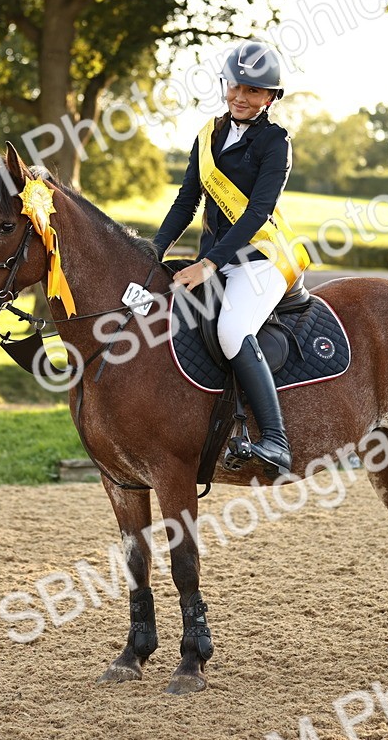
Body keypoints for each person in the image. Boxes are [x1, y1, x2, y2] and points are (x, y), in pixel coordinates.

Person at [152, 39, 309, 476]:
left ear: (270, 98)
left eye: (254, 91)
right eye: (236, 86)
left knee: (232, 329)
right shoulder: (208, 135)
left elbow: (257, 212)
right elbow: (187, 202)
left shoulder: (276, 142)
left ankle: (275, 440)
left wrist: (209, 264)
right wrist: (153, 250)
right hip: (217, 258)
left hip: (263, 257)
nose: (241, 96)